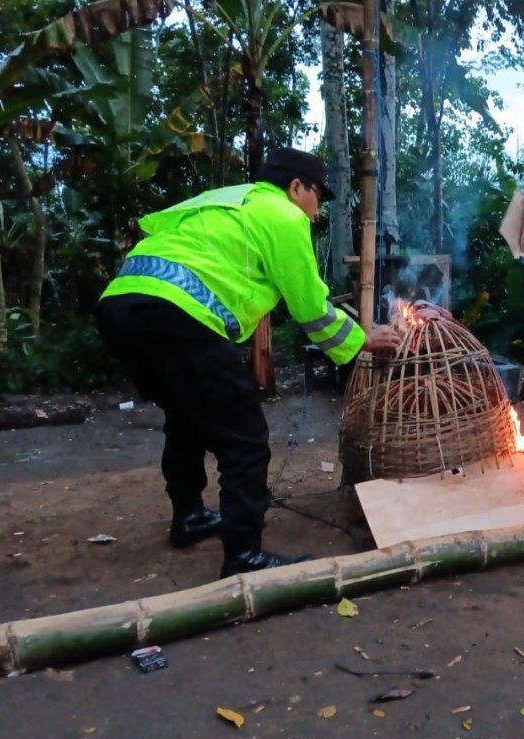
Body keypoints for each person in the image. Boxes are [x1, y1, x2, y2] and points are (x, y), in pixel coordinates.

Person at [96, 148, 402, 579]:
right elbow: (310, 307)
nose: (316, 213)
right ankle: (243, 555)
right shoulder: (282, 213)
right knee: (245, 438)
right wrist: (363, 340)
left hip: (120, 307)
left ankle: (189, 517)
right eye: (318, 198)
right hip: (177, 313)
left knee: (186, 417)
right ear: (297, 187)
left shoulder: (226, 200)